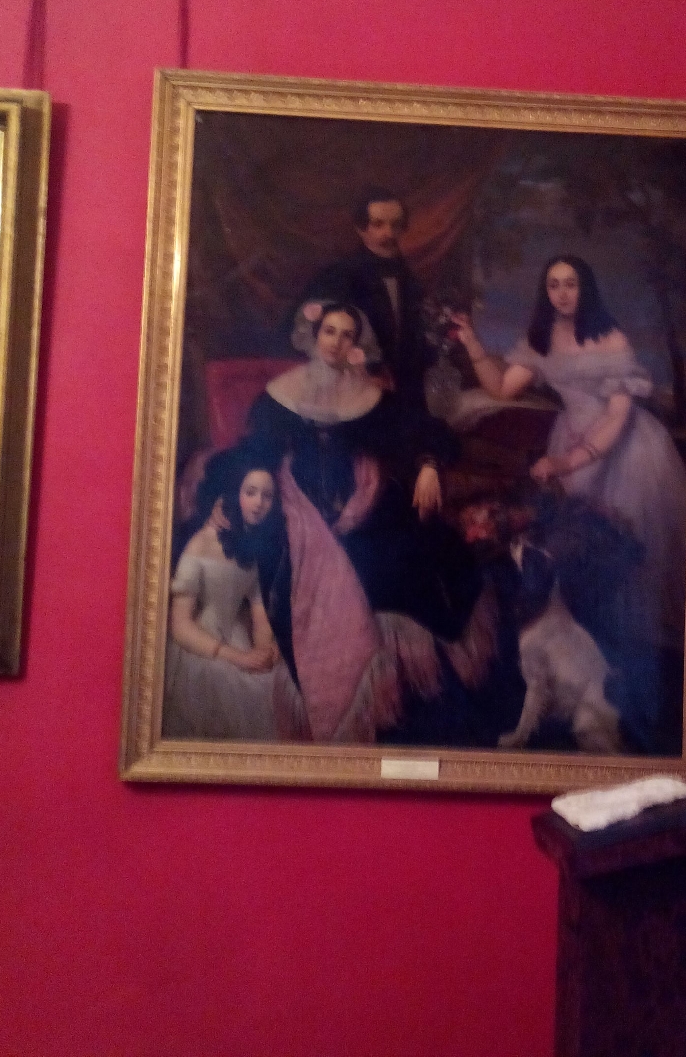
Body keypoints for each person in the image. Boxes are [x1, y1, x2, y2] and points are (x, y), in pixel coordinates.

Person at [245, 302, 493, 744]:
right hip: (296, 508)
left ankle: (398, 699)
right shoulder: (278, 396)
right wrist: (262, 485)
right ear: (314, 336)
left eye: (347, 335)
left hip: (365, 500)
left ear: (355, 345)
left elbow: (425, 430)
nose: (336, 342)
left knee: (412, 557)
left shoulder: (370, 396)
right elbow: (255, 453)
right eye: (329, 331)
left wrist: (428, 464)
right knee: (287, 570)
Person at [452, 255, 686, 651]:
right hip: (570, 437)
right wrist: (474, 345)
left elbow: (615, 418)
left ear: (586, 287)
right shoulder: (542, 340)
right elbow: (502, 388)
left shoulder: (611, 339)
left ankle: (628, 650)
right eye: (554, 285)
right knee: (575, 544)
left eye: (571, 284)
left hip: (625, 449)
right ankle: (582, 643)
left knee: (625, 549)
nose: (562, 294)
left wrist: (566, 462)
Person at [162, 447, 286, 741]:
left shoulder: (250, 546)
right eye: (250, 493)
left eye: (267, 496)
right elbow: (180, 626)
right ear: (234, 493)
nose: (259, 503)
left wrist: (265, 649)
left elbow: (258, 611)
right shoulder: (201, 544)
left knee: (274, 685)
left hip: (236, 640)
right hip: (200, 649)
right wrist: (239, 658)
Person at [295, 188, 433, 413]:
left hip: (405, 390)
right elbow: (322, 337)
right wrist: (366, 370)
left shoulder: (410, 279)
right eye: (378, 224)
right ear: (361, 229)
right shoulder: (340, 275)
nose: (389, 233)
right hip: (353, 389)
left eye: (396, 225)